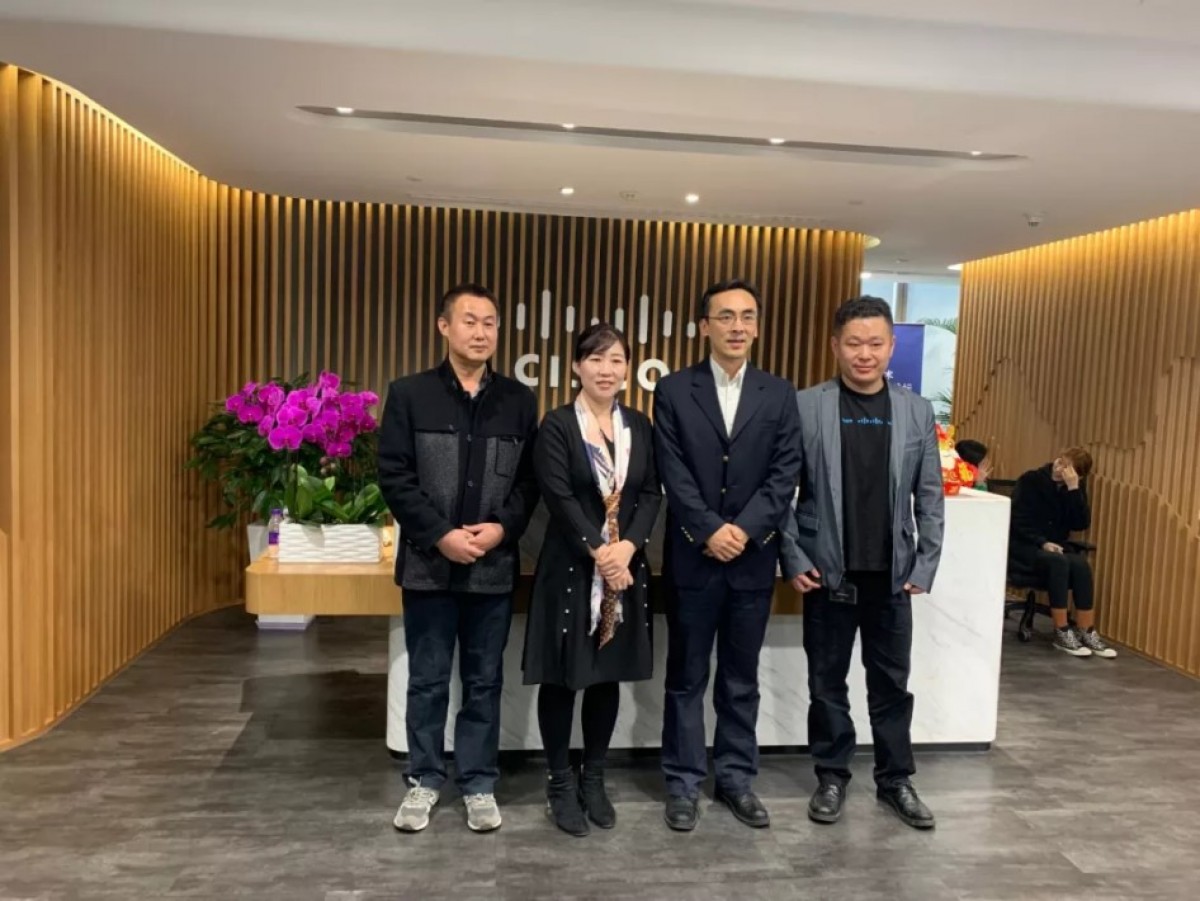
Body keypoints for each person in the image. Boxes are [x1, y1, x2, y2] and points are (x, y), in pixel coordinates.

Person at [378, 283, 540, 834]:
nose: (481, 332)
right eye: (469, 321)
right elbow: (395, 476)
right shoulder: (410, 394)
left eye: (490, 323)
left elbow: (529, 483)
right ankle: (424, 779)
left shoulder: (519, 401)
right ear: (444, 327)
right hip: (429, 567)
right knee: (426, 680)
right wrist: (440, 534)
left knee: (484, 681)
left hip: (492, 568)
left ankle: (478, 782)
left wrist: (501, 529)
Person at [780, 295, 945, 831]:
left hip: (892, 577)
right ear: (835, 346)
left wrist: (925, 564)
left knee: (892, 685)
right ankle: (831, 775)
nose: (865, 354)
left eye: (875, 343)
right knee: (826, 683)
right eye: (854, 343)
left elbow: (930, 495)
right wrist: (793, 554)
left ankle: (895, 779)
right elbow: (781, 491)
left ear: (891, 346)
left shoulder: (916, 411)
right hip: (827, 573)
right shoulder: (807, 406)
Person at [654, 278, 802, 832]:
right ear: (704, 326)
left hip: (752, 560)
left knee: (741, 679)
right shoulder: (674, 390)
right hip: (693, 559)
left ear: (757, 326)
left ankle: (736, 779)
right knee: (686, 677)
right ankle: (683, 783)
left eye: (747, 316)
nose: (737, 326)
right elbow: (673, 471)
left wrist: (742, 530)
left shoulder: (778, 393)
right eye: (725, 316)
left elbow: (784, 472)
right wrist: (709, 530)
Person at [522, 323, 662, 837]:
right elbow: (558, 496)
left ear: (628, 369)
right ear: (577, 366)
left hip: (623, 571)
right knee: (563, 678)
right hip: (571, 569)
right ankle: (560, 782)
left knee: (606, 675)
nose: (607, 369)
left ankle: (594, 778)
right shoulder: (559, 425)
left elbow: (651, 493)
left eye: (617, 360)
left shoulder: (638, 426)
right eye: (596, 359)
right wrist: (601, 551)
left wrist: (628, 547)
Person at [1009, 448, 1115, 658]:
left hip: (1055, 546)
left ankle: (1086, 630)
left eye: (1067, 467)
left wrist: (1073, 490)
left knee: (1081, 565)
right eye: (1059, 461)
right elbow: (1017, 520)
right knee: (1058, 562)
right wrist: (1042, 542)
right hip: (1025, 546)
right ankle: (1061, 631)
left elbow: (1080, 523)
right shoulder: (1031, 480)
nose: (1059, 468)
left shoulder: (1073, 487)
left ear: (1077, 475)